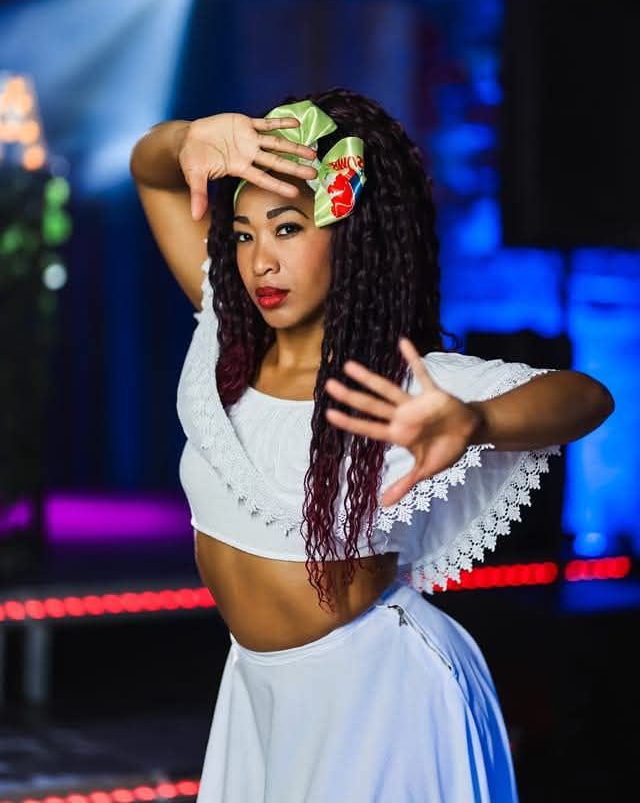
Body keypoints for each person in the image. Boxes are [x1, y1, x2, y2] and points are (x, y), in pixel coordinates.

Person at [130, 87, 614, 802]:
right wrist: (188, 138)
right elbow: (152, 173)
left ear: (349, 233)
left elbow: (586, 397)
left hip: (379, 696)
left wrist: (476, 422)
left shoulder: (395, 384)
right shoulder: (226, 335)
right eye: (243, 234)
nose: (261, 261)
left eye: (287, 228)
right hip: (258, 691)